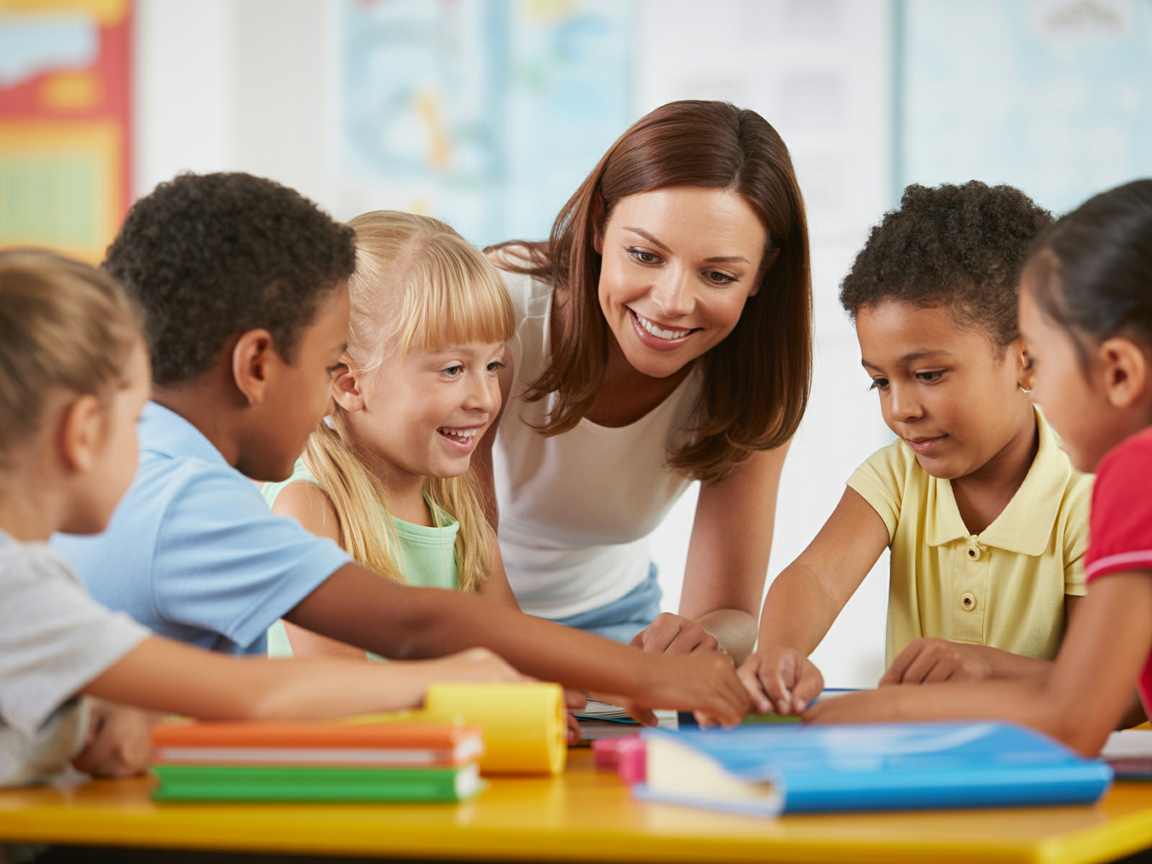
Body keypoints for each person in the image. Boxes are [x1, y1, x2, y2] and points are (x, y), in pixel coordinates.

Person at [50, 173, 750, 745]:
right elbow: (410, 626)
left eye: (494, 366)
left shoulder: (156, 466)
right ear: (262, 364)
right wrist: (633, 674)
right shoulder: (196, 500)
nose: (333, 390)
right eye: (328, 364)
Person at [0, 249, 523, 787]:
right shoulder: (19, 586)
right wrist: (452, 681)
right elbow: (256, 693)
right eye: (136, 420)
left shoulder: (29, 577)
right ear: (82, 432)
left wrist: (96, 721)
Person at [806, 179, 1152, 755]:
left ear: (1118, 373)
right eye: (880, 382)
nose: (1034, 381)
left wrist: (888, 708)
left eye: (1039, 357)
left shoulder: (1135, 476)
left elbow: (1077, 712)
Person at [738, 182, 1091, 716]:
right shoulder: (896, 478)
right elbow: (815, 578)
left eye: (928, 374)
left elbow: (1109, 685)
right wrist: (779, 652)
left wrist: (985, 665)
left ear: (1026, 360)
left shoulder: (1085, 494)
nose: (900, 409)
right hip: (922, 765)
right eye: (880, 381)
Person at [483, 100, 812, 661]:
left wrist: (699, 642)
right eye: (644, 254)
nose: (672, 303)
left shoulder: (755, 380)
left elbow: (730, 613)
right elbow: (454, 552)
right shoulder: (495, 308)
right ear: (597, 228)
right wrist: (532, 664)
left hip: (615, 619)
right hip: (462, 608)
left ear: (760, 276)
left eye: (718, 275)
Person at [264, 210, 520, 660]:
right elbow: (346, 702)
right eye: (453, 369)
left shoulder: (456, 503)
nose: (485, 398)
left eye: (493, 365)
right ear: (349, 385)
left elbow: (519, 653)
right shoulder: (308, 509)